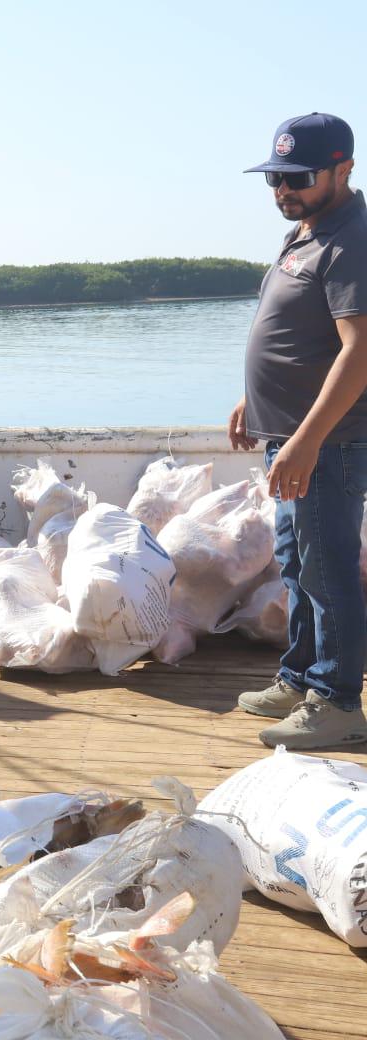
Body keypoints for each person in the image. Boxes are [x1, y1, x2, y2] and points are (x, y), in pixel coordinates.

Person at [230, 113, 367, 749]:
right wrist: (250, 399)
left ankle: (337, 701)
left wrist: (308, 440)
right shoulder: (306, 233)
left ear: (344, 169)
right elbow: (292, 332)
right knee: (295, 562)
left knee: (326, 567)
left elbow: (359, 350)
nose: (283, 189)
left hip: (328, 443)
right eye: (275, 178)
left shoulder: (352, 239)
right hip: (289, 435)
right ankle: (301, 676)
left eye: (298, 177)